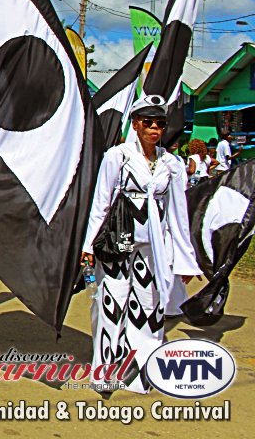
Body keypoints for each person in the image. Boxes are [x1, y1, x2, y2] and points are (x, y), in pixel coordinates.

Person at [80, 95, 201, 393]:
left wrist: (184, 259)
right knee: (112, 303)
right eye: (147, 122)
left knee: (148, 307)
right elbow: (101, 203)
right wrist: (88, 245)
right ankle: (106, 372)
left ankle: (140, 372)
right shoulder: (117, 157)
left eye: (160, 123)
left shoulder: (172, 164)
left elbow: (178, 214)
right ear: (135, 125)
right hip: (117, 244)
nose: (154, 128)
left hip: (153, 249)